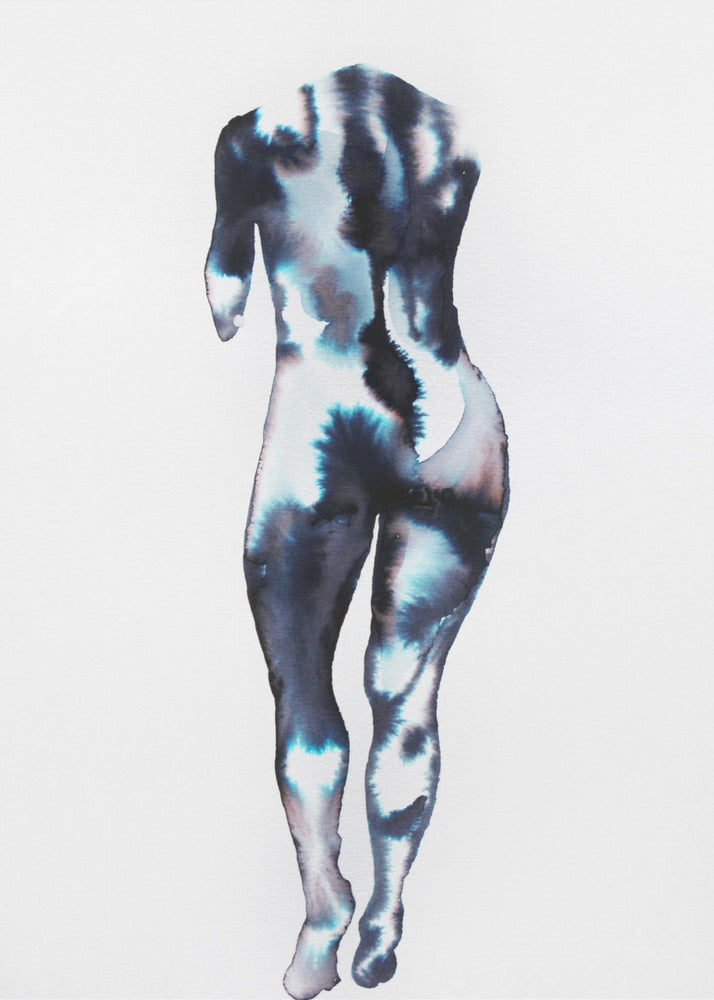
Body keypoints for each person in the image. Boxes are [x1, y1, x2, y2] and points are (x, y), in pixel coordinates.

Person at [205, 64, 509, 1000]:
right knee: (406, 697)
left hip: (323, 426)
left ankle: (322, 903)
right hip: (452, 421)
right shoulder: (454, 134)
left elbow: (224, 308)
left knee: (303, 691)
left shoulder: (252, 138)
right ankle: (387, 910)